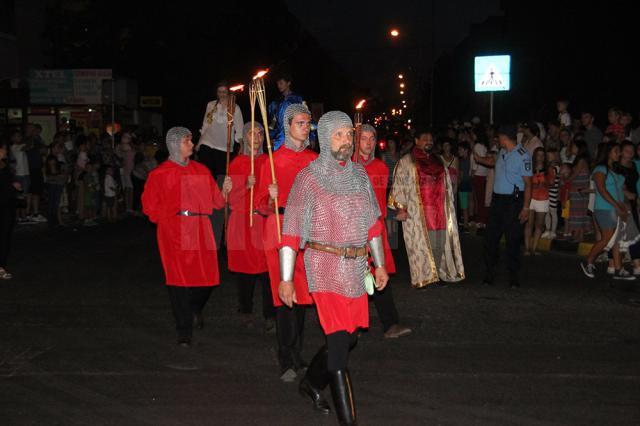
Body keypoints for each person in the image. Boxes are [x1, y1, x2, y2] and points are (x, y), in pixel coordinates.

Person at [279, 111, 389, 425]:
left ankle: (312, 383)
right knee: (340, 348)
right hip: (324, 267)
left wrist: (379, 265)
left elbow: (372, 226)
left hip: (356, 268)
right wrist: (286, 279)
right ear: (325, 138)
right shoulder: (309, 177)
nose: (346, 141)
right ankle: (349, 421)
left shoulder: (359, 176)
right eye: (339, 135)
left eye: (348, 135)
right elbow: (291, 231)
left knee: (349, 337)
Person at [142, 127, 233, 346]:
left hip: (201, 228)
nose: (192, 145)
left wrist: (225, 192)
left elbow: (216, 203)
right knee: (178, 281)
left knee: (208, 278)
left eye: (191, 141)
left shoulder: (201, 170)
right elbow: (149, 208)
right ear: (174, 145)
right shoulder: (160, 174)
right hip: (174, 230)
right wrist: (169, 220)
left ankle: (194, 309)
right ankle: (184, 329)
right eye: (187, 141)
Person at [254, 103, 318, 382]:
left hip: (307, 231)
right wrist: (270, 197)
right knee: (286, 295)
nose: (305, 128)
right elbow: (260, 206)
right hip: (279, 229)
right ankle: (286, 358)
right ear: (287, 126)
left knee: (303, 297)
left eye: (307, 123)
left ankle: (296, 353)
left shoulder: (315, 160)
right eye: (300, 123)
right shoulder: (271, 159)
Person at [389, 129, 465, 287]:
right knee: (422, 246)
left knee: (439, 242)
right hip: (419, 212)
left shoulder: (438, 160)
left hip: (440, 211)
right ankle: (424, 278)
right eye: (425, 138)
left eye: (431, 139)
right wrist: (400, 208)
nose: (428, 141)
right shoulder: (408, 161)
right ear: (416, 140)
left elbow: (447, 185)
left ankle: (436, 274)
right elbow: (399, 184)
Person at [356, 124, 411, 339]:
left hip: (376, 230)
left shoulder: (381, 167)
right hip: (355, 231)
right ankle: (354, 325)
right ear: (356, 141)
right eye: (363, 139)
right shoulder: (347, 167)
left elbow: (380, 201)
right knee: (355, 278)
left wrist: (393, 213)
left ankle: (390, 325)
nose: (368, 143)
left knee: (381, 275)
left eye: (372, 139)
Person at [226, 122, 275, 331]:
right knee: (245, 273)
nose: (255, 136)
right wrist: (246, 186)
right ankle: (245, 309)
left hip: (264, 223)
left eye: (259, 133)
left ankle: (270, 314)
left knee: (268, 271)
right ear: (243, 138)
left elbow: (273, 197)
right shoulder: (237, 163)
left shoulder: (268, 161)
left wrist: (273, 197)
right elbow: (233, 202)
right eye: (251, 133)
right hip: (244, 223)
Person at [479, 125, 532, 288]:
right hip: (497, 202)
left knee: (513, 240)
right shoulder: (502, 152)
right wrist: (479, 159)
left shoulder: (523, 155)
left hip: (513, 202)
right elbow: (492, 162)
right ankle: (489, 272)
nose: (497, 140)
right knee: (491, 238)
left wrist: (526, 208)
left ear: (505, 138)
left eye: (499, 137)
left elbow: (528, 184)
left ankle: (513, 276)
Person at [581, 142, 635, 281]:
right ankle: (588, 261)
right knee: (606, 239)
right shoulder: (600, 169)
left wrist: (634, 197)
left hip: (616, 208)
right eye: (616, 151)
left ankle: (618, 269)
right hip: (605, 208)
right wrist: (617, 206)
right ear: (608, 153)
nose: (619, 154)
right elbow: (601, 190)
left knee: (615, 240)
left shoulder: (615, 170)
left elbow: (623, 190)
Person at [197, 81, 244, 179]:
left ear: (228, 93)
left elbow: (239, 128)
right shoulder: (210, 105)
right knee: (206, 173)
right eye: (219, 92)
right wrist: (199, 143)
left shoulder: (235, 107)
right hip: (207, 142)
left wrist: (241, 145)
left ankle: (219, 194)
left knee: (221, 176)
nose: (222, 94)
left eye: (224, 92)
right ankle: (206, 193)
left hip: (224, 146)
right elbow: (205, 124)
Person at [268, 72, 307, 151]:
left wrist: (311, 136)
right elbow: (273, 122)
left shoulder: (298, 99)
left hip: (296, 136)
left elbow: (306, 117)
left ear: (288, 83)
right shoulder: (276, 102)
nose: (279, 86)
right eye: (277, 84)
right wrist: (270, 137)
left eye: (281, 83)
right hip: (280, 139)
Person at [1, 142, 20, 280]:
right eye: (4, 149)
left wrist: (14, 184)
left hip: (6, 204)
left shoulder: (3, 166)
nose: (6, 152)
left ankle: (1, 265)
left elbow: (7, 180)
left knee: (4, 236)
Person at [524, 147, 549, 255]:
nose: (540, 157)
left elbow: (551, 183)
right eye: (538, 155)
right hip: (530, 197)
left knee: (539, 225)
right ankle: (527, 248)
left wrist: (544, 180)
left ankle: (534, 248)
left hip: (543, 199)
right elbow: (525, 181)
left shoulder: (548, 169)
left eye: (542, 155)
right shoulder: (529, 167)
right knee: (529, 224)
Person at [567, 142, 591, 242]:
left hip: (579, 190)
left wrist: (566, 181)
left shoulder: (581, 160)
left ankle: (576, 235)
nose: (571, 147)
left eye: (574, 146)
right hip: (580, 189)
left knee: (577, 213)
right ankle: (579, 236)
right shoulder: (581, 159)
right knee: (580, 213)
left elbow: (576, 174)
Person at [25, 123, 47, 223]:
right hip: (32, 168)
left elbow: (44, 151)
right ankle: (34, 213)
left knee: (32, 191)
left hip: (34, 167)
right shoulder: (29, 140)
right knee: (34, 192)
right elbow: (30, 149)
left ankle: (30, 213)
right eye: (32, 129)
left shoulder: (36, 139)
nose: (35, 131)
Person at [9, 131, 30, 223]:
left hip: (25, 174)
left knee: (23, 197)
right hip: (19, 175)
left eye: (20, 136)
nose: (19, 138)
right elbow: (28, 146)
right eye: (17, 136)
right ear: (12, 138)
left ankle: (22, 216)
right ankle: (18, 216)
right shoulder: (13, 147)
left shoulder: (21, 146)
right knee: (18, 197)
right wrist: (30, 136)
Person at [470, 133, 490, 227]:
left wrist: (473, 173)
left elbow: (476, 160)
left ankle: (481, 220)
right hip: (484, 174)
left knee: (479, 198)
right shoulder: (484, 146)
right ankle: (482, 219)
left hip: (478, 174)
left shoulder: (477, 146)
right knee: (482, 198)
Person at [116, 133, 136, 214]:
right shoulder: (125, 148)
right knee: (129, 189)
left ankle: (128, 207)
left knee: (128, 189)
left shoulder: (127, 148)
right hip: (128, 171)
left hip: (129, 171)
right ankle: (129, 207)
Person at [44, 155, 67, 228]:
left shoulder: (61, 166)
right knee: (52, 203)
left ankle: (56, 220)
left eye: (53, 162)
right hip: (52, 186)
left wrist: (55, 177)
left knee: (57, 203)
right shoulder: (47, 169)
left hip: (59, 186)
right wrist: (56, 177)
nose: (52, 164)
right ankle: (52, 220)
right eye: (50, 163)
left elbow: (64, 177)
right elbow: (48, 179)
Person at [543, 149, 561, 239]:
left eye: (550, 156)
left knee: (553, 212)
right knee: (547, 212)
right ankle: (547, 229)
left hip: (552, 192)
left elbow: (552, 182)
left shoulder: (555, 168)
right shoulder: (549, 168)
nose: (549, 158)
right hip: (547, 192)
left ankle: (553, 231)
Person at [457, 142, 473, 231]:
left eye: (460, 149)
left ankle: (466, 225)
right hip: (469, 183)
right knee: (469, 204)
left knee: (464, 206)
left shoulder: (463, 161)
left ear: (466, 150)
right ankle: (469, 223)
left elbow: (461, 175)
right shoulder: (470, 159)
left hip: (463, 184)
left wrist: (457, 184)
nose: (459, 151)